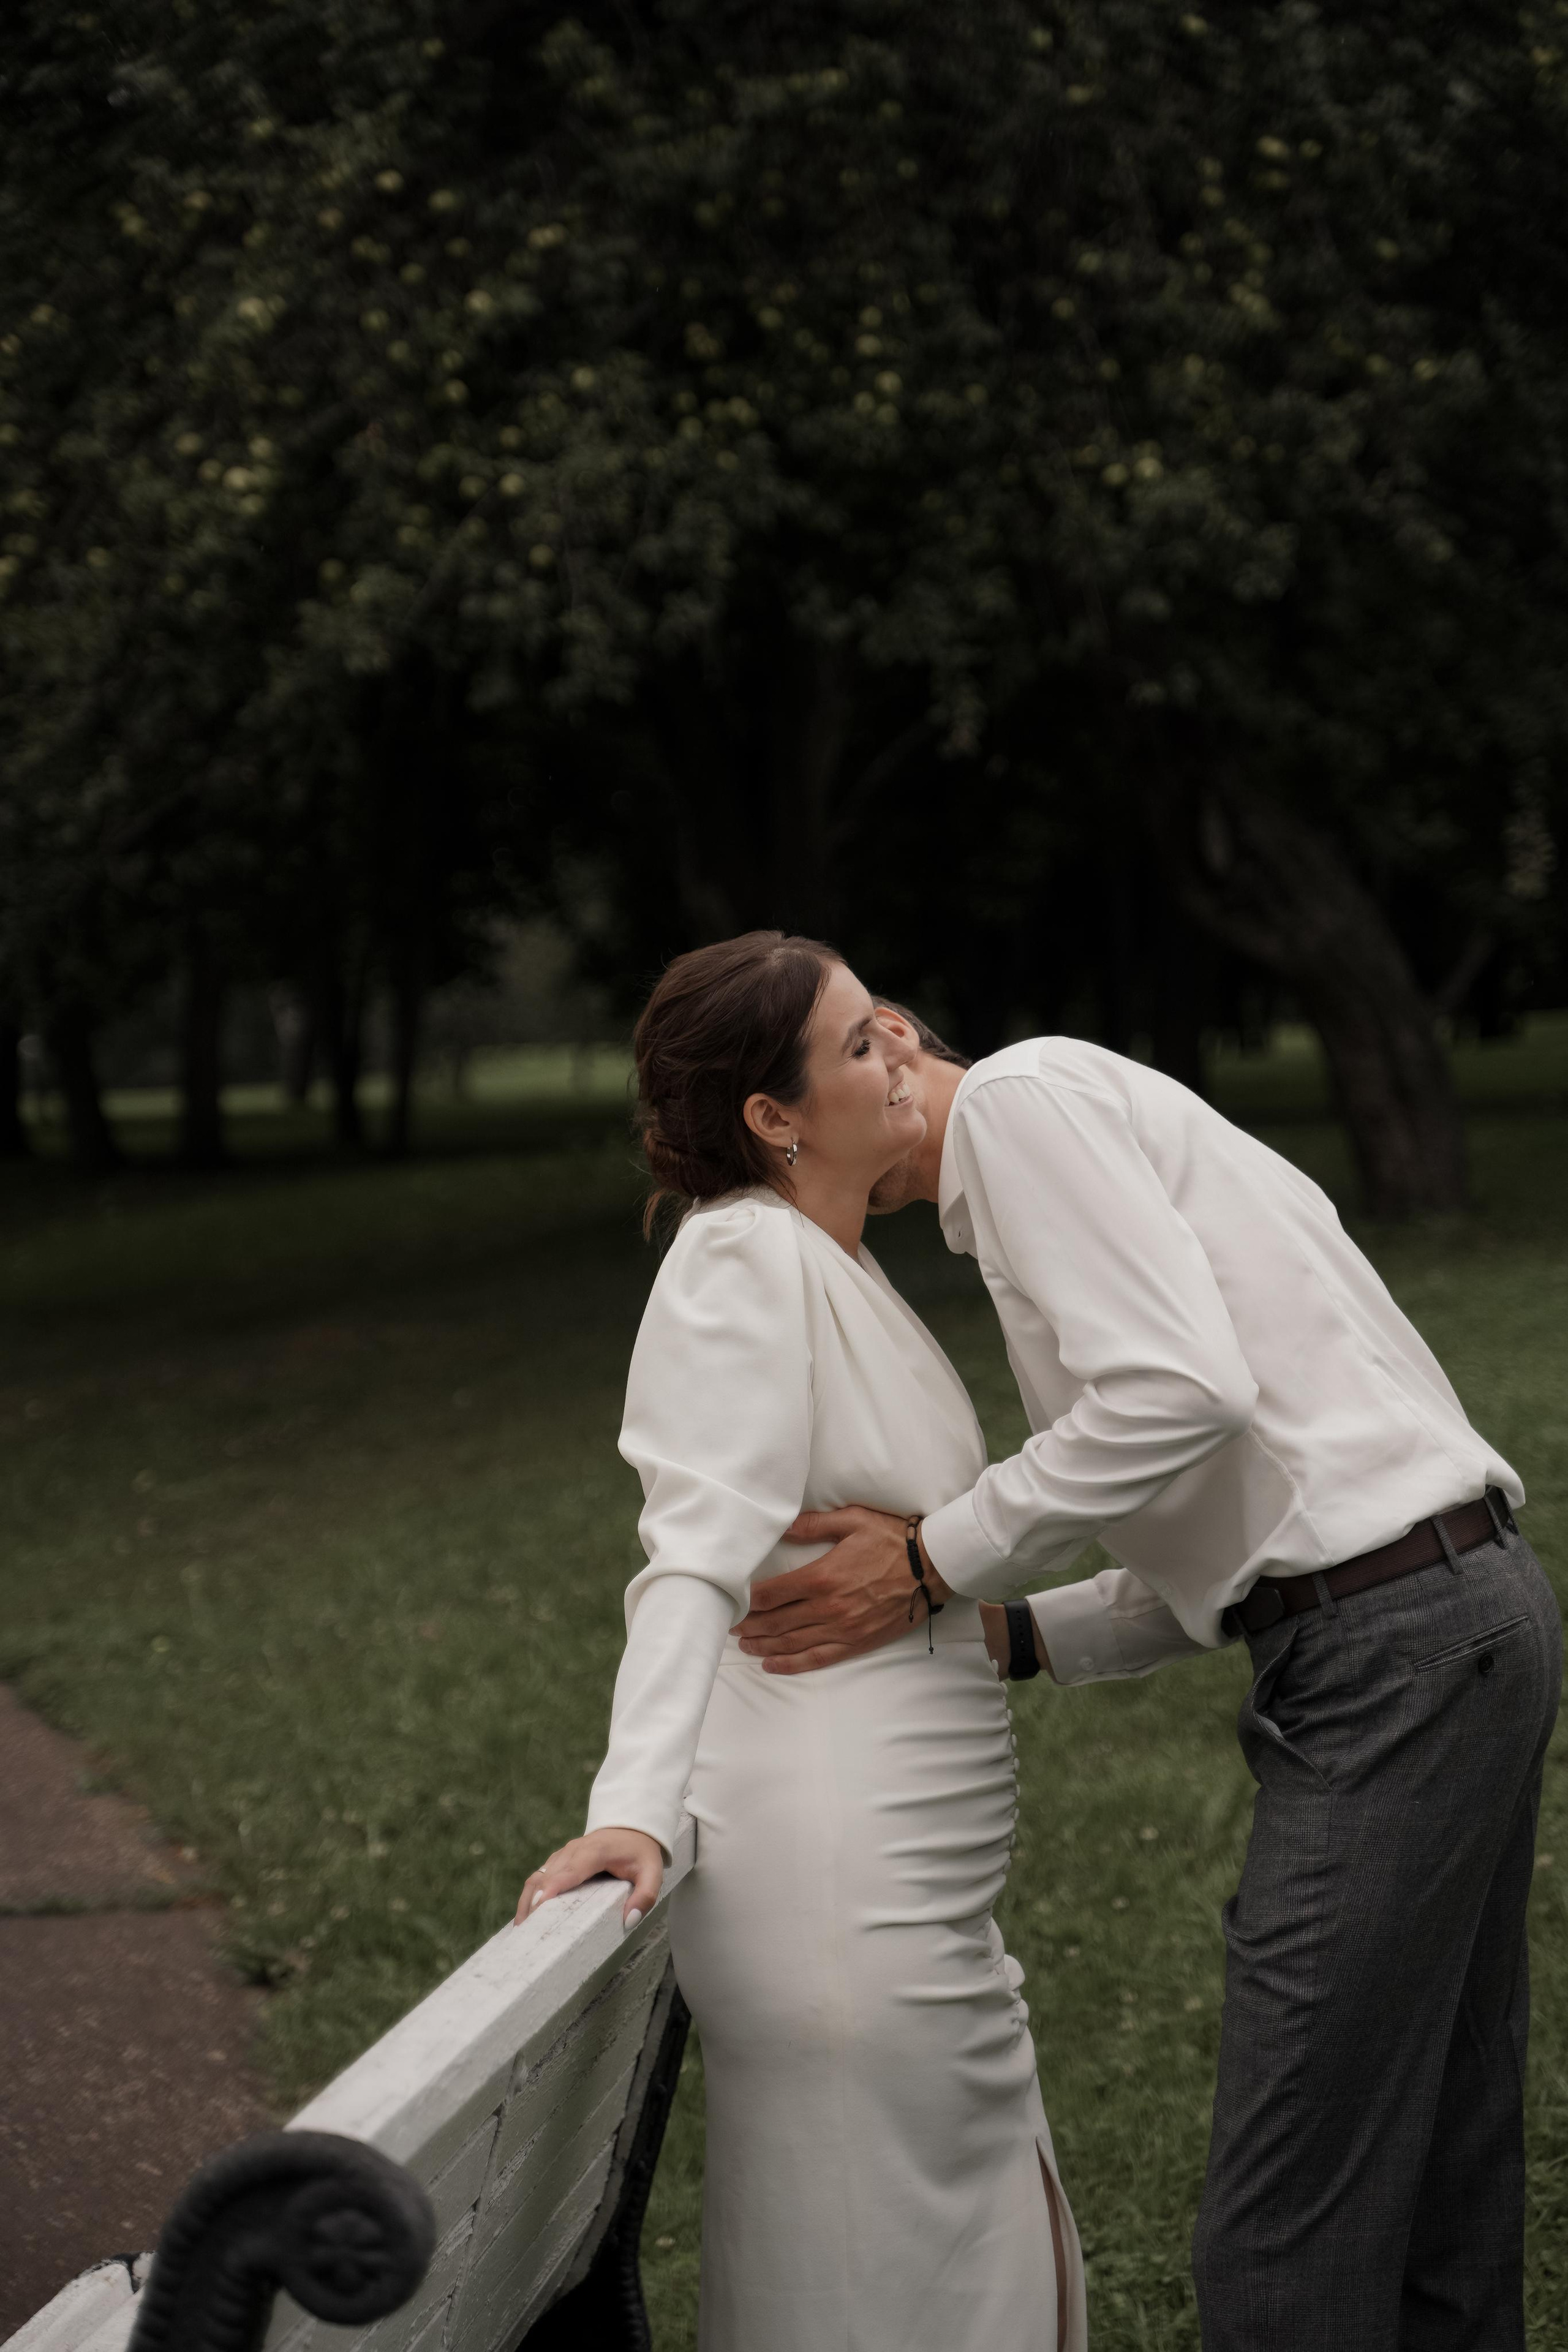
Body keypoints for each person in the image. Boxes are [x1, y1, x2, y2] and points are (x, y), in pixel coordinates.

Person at [734, 1011, 1562, 2351]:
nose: (800, 1192)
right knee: (1434, 2186)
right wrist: (1018, 1634)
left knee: (1282, 2227)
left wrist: (934, 1559)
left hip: (1396, 1656)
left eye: (776, 1147)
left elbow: (1180, 1393)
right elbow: (1264, 1502)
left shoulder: (1016, 1105)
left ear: (885, 1042)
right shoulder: (1052, 1133)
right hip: (1442, 1615)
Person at [516, 935, 1087, 2352]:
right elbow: (692, 1557)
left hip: (912, 1875)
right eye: (850, 1048)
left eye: (881, 1031)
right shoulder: (738, 1261)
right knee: (864, 2263)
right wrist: (630, 1807)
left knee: (952, 2241)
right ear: (772, 1118)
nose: (894, 1057)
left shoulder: (827, 1263)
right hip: (836, 1878)